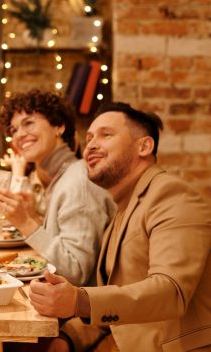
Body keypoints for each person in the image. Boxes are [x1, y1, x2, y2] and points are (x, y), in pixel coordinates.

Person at [29, 102, 211, 351]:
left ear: (144, 146)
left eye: (106, 135)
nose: (91, 144)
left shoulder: (172, 195)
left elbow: (171, 293)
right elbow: (111, 313)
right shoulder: (123, 207)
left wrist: (80, 301)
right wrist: (67, 337)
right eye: (89, 137)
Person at [0, 90, 115, 287]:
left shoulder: (78, 181)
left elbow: (76, 271)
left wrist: (25, 223)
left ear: (58, 126)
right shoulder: (63, 175)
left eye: (28, 123)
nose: (20, 135)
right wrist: (33, 217)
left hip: (78, 311)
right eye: (13, 130)